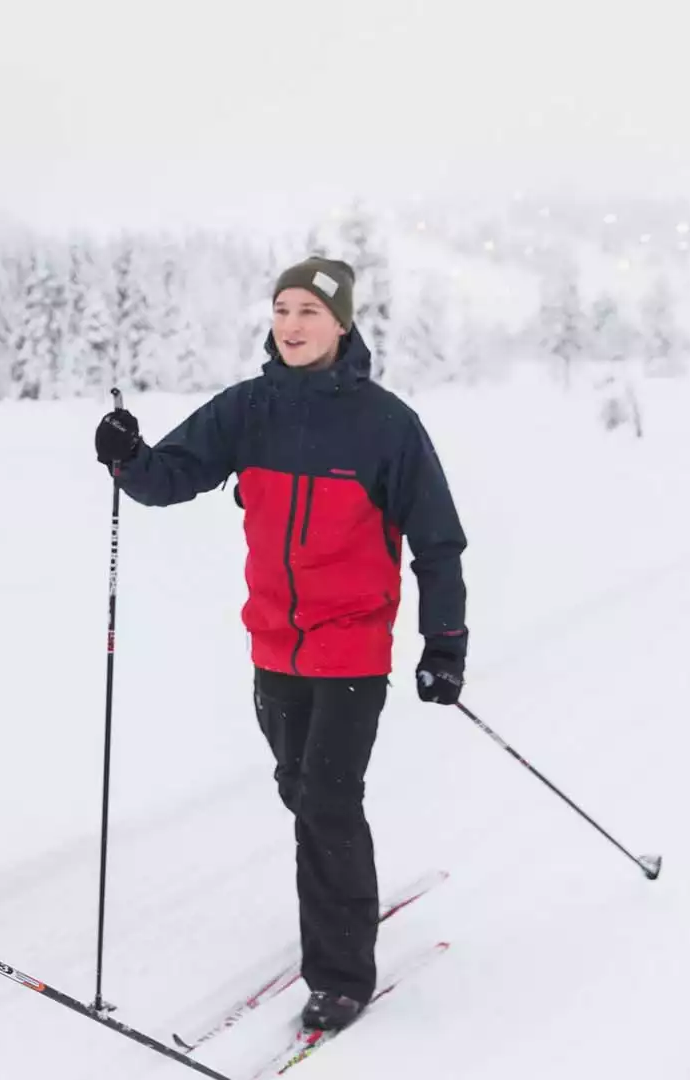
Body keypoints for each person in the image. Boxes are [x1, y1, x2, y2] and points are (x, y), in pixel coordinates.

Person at [91, 257, 470, 1033]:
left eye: (309, 311)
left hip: (353, 647)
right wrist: (127, 456)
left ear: (342, 323)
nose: (292, 324)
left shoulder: (387, 426)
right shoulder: (250, 410)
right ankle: (343, 896)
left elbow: (437, 542)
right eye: (282, 309)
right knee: (301, 790)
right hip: (273, 645)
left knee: (328, 802)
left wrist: (446, 643)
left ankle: (339, 971)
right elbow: (171, 476)